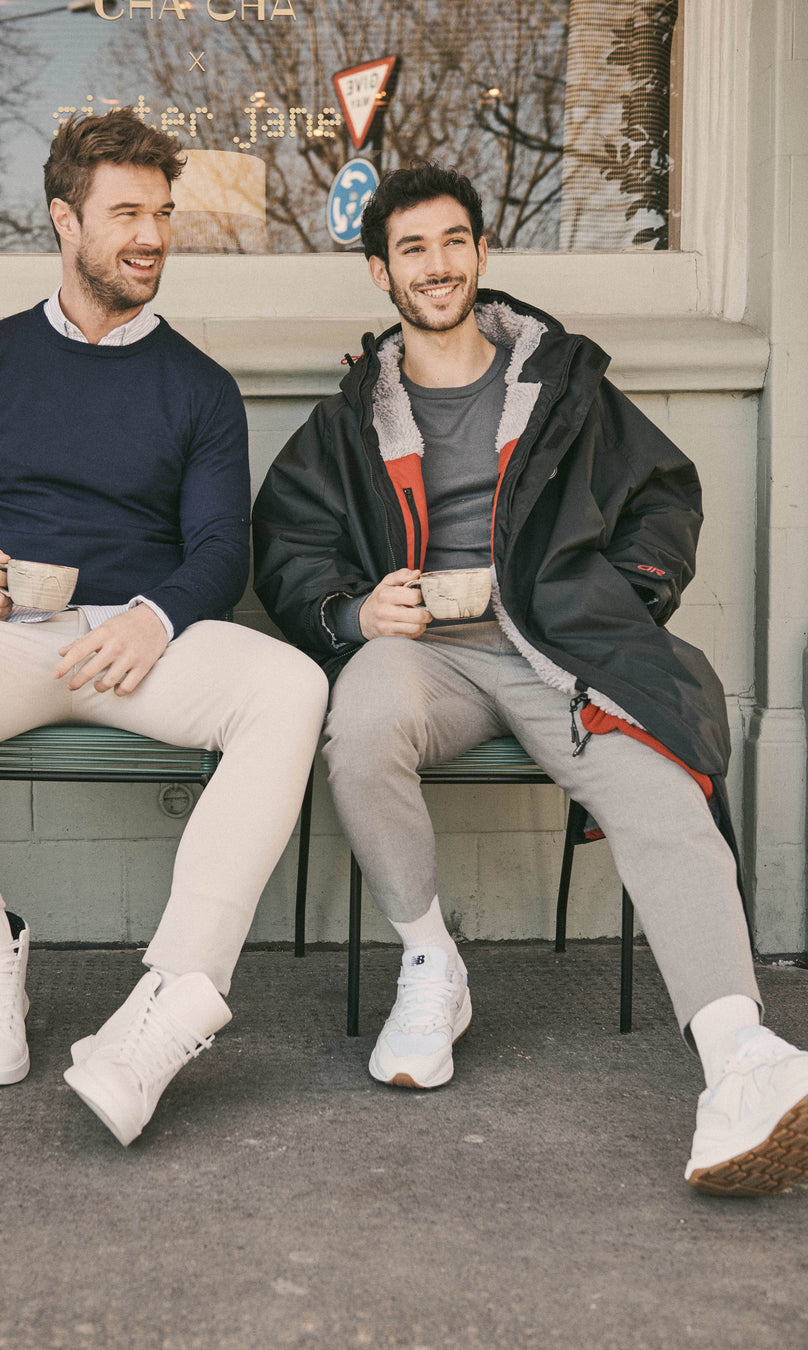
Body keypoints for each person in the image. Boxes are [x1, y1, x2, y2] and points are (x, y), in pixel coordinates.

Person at [252, 162, 808, 1195]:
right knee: (360, 714)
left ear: (481, 254)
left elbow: (663, 495)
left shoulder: (563, 388)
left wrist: (612, 602)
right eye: (412, 247)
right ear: (379, 271)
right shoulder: (348, 421)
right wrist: (356, 610)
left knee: (659, 781)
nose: (437, 263)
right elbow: (287, 543)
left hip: (555, 646)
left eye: (454, 240)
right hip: (428, 656)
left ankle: (740, 1054)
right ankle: (431, 968)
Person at [0, 109, 327, 1147]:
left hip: (142, 643)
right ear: (65, 219)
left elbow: (222, 547)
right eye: (127, 212)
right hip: (3, 634)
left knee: (293, 688)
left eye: (165, 213)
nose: (153, 235)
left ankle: (173, 1002)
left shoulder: (199, 386)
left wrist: (160, 614)